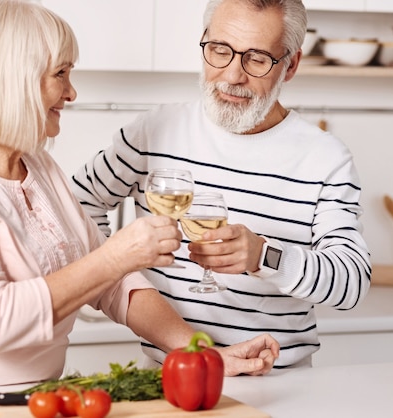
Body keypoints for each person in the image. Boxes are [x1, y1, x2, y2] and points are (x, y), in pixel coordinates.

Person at [0, 0, 280, 397]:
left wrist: (202, 352)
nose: (71, 92)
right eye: (60, 74)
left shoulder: (38, 166)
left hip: (23, 402)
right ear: (12, 77)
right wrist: (116, 255)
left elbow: (114, 284)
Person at [72, 0, 371, 370]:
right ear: (204, 42)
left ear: (290, 65)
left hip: (280, 383)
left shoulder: (326, 158)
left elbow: (352, 284)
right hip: (169, 375)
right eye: (220, 50)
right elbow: (76, 206)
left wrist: (264, 256)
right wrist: (121, 276)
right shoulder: (155, 131)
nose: (232, 76)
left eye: (257, 58)